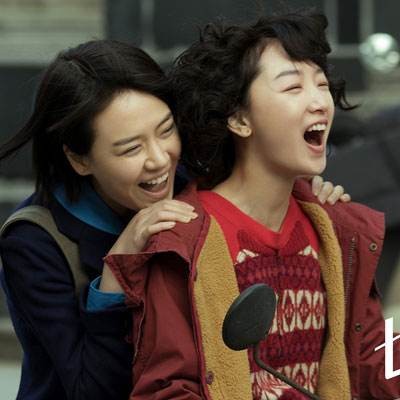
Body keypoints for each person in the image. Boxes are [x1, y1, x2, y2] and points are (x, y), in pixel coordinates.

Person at [0, 39, 347, 400]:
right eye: (131, 149)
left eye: (166, 130)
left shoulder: (191, 185)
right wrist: (117, 272)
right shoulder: (34, 242)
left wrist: (301, 194)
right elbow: (91, 389)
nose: (160, 160)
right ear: (80, 159)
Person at [104, 10, 400, 400]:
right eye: (293, 87)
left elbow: (372, 351)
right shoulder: (184, 242)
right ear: (239, 119)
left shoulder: (338, 229)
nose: (319, 102)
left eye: (322, 84)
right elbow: (167, 387)